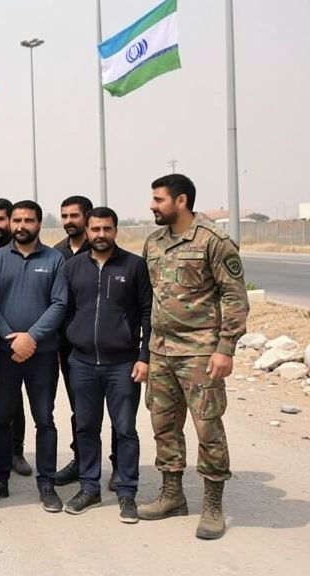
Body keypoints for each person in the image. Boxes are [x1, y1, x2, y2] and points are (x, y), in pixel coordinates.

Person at [138, 174, 249, 540]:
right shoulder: (153, 243)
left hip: (201, 352)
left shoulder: (213, 241)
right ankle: (172, 495)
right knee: (163, 426)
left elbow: (234, 297)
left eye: (158, 200)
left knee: (208, 427)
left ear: (180, 200)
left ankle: (213, 505)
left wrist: (225, 349)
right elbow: (150, 298)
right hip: (161, 351)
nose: (152, 206)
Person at [61, 207, 150, 524]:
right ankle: (89, 488)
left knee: (125, 429)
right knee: (85, 428)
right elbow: (65, 309)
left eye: (106, 228)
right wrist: (76, 336)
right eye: (95, 229)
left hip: (122, 365)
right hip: (82, 363)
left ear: (115, 230)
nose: (100, 234)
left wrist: (144, 357)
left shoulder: (134, 265)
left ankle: (127, 492)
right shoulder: (72, 267)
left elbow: (147, 313)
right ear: (86, 231)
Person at [0, 200, 68, 513]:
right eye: (15, 220)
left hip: (42, 354)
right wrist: (11, 339)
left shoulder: (55, 259)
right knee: (0, 418)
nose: (20, 226)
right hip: (4, 355)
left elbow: (59, 304)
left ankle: (46, 483)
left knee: (44, 419)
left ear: (39, 223)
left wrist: (31, 337)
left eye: (27, 220)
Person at [0, 197, 32, 477]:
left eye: (1, 219)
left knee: (17, 402)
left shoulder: (25, 253)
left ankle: (16, 451)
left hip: (26, 343)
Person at [52, 195, 93, 487]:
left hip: (108, 346)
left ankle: (117, 466)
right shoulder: (57, 255)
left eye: (74, 216)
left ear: (87, 218)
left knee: (117, 414)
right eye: (64, 216)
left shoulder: (106, 248)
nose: (68, 221)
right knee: (79, 408)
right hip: (69, 346)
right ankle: (81, 461)